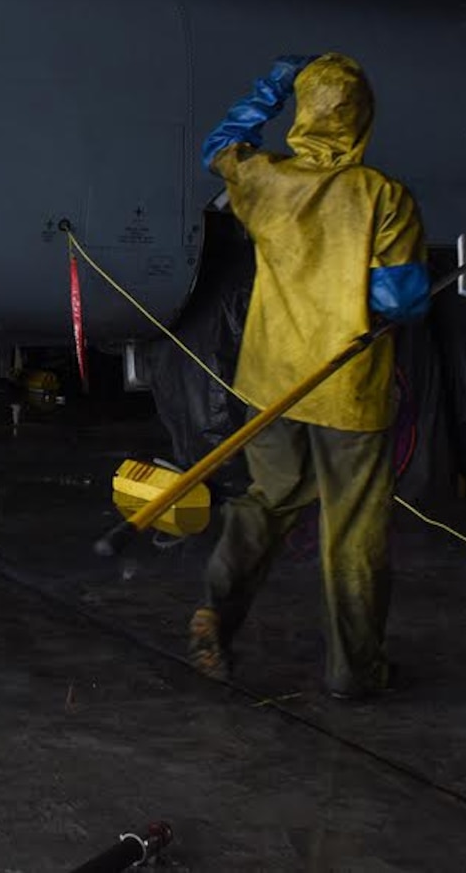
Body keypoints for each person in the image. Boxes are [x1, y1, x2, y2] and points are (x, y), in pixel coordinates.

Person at [186, 53, 428, 700]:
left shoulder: (264, 182)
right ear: (362, 118)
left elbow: (220, 144)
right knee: (353, 531)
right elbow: (401, 301)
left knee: (266, 502)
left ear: (304, 114)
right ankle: (355, 670)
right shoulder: (383, 196)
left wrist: (268, 86)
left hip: (271, 381)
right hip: (347, 392)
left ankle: (214, 614)